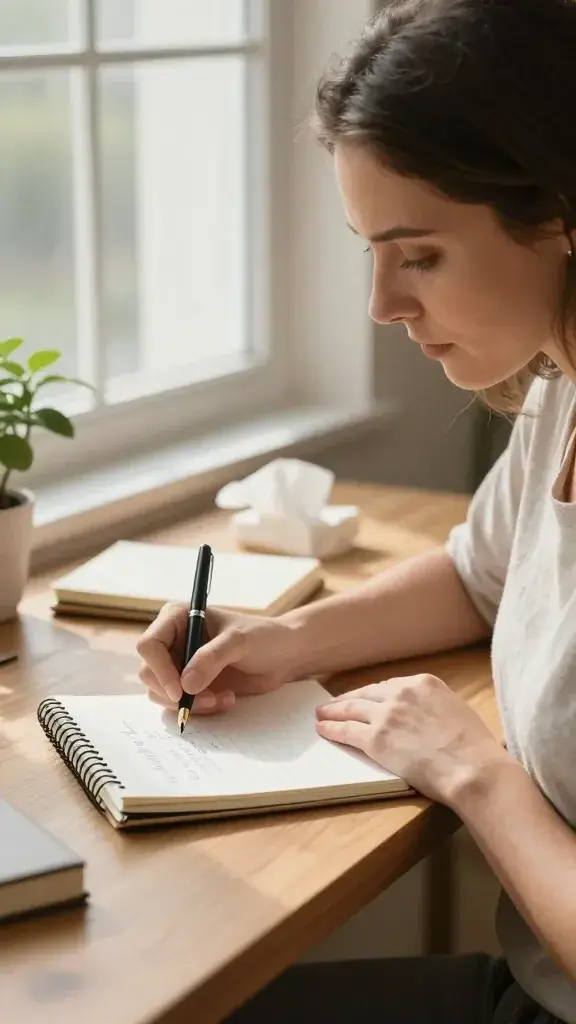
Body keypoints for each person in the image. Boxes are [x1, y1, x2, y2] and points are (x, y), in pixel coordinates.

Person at [136, 0, 576, 1020]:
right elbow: (481, 572)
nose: (382, 303)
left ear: (559, 210)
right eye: (370, 250)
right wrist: (286, 639)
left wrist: (476, 773)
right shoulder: (562, 389)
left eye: (419, 255)